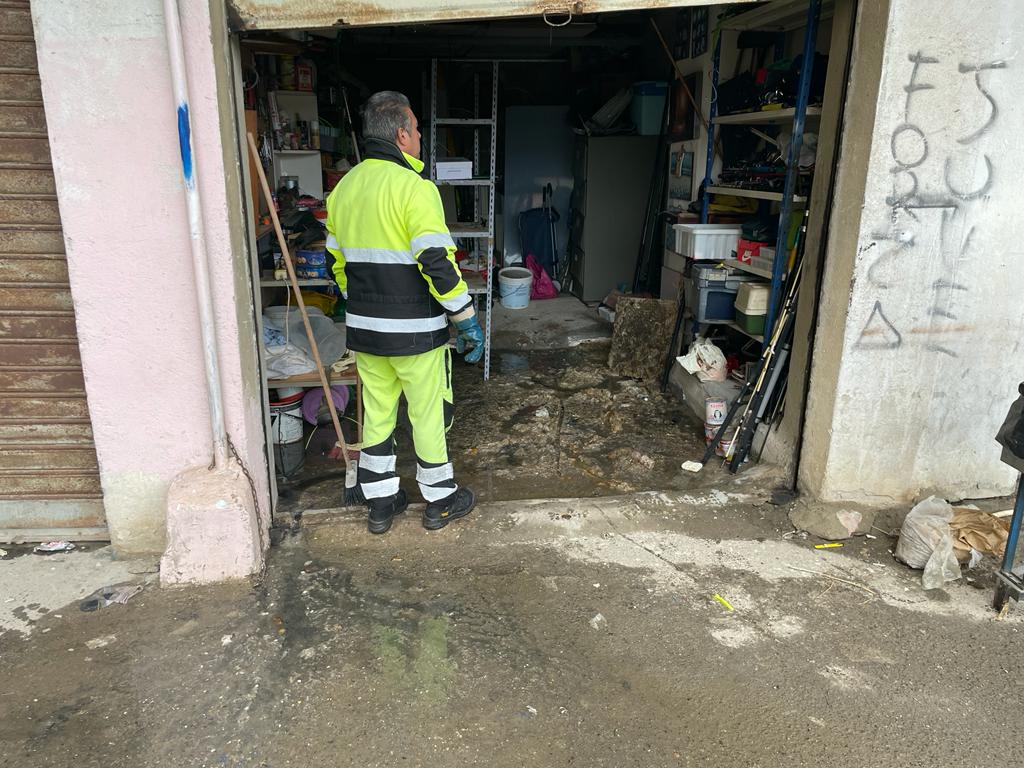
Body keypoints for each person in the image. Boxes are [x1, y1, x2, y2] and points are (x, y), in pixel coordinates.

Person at [324, 91, 484, 535]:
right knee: (427, 414)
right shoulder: (416, 188)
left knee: (377, 413)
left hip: (365, 332)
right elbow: (437, 263)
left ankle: (381, 504)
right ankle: (440, 500)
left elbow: (337, 265)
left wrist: (366, 306)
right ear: (401, 135)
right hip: (416, 334)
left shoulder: (343, 190)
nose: (420, 138)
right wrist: (465, 318)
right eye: (416, 130)